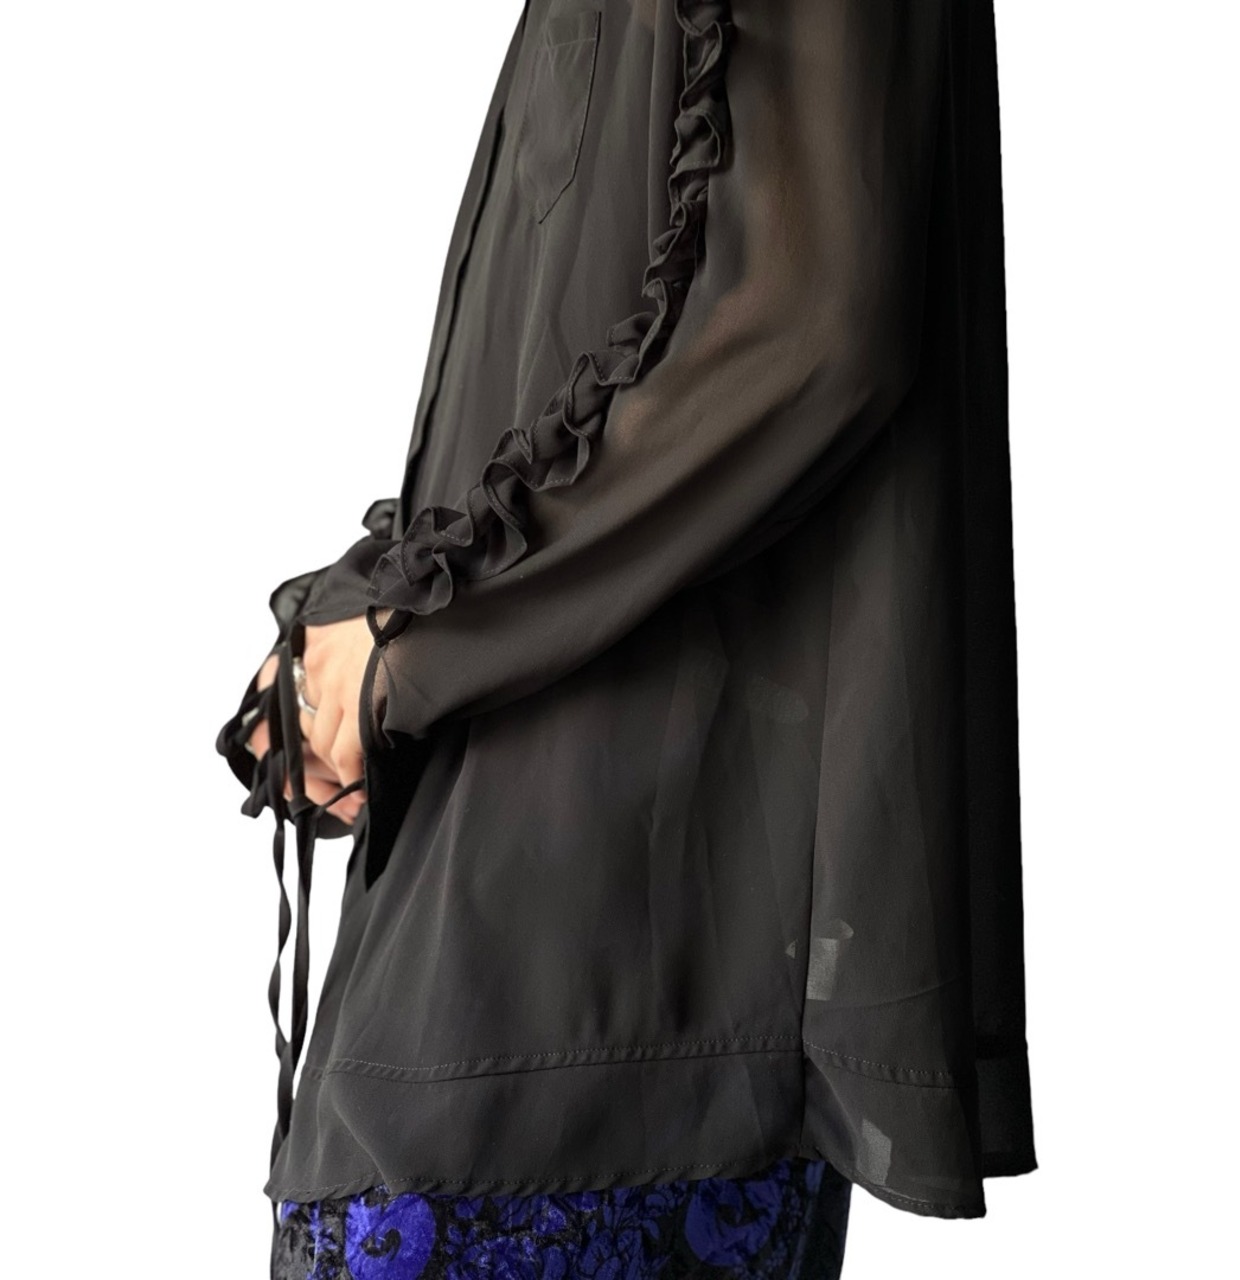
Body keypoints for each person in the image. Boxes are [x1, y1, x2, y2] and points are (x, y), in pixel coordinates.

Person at [217, 0, 1037, 1272]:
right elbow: (570, 379)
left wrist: (411, 647)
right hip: (517, 953)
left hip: (616, 1006)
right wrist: (363, 636)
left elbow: (811, 328)